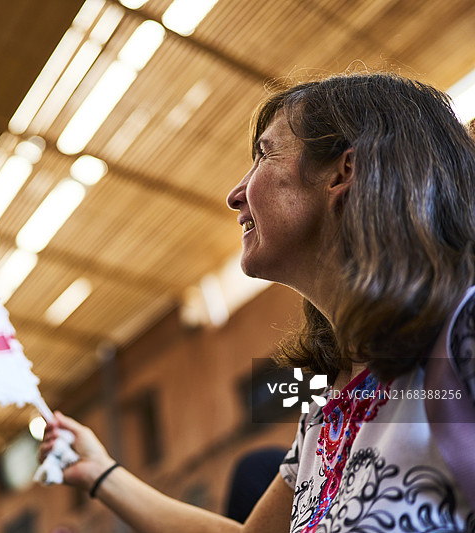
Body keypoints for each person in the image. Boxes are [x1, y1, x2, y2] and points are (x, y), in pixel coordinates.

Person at [39, 72, 475, 532]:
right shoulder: (325, 416)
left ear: (344, 172)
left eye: (264, 154)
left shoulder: (463, 334)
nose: (235, 194)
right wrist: (101, 474)